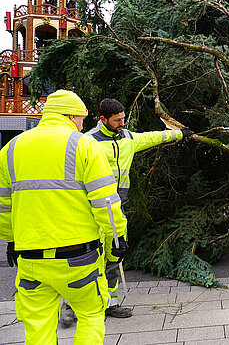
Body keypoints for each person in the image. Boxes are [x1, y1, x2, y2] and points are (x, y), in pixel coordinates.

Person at [0, 89, 127, 344]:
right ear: (70, 115)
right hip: (79, 257)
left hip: (30, 258)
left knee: (38, 327)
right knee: (91, 314)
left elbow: (5, 207)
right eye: (81, 118)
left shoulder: (11, 149)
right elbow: (106, 203)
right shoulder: (84, 145)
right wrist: (117, 240)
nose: (82, 124)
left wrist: (11, 241)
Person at [60, 98, 193, 323]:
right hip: (89, 211)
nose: (122, 123)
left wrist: (179, 134)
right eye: (117, 120)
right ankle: (70, 305)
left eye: (123, 118)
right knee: (87, 258)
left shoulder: (128, 138)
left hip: (116, 209)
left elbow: (152, 137)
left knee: (114, 255)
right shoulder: (87, 142)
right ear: (103, 119)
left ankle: (110, 302)